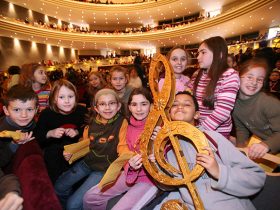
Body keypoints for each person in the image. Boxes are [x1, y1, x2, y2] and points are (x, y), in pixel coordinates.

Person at [154, 91, 266, 210]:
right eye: (175, 104)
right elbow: (167, 186)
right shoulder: (168, 148)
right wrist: (155, 155)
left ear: (196, 114)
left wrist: (218, 171)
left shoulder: (212, 138)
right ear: (169, 113)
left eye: (186, 104)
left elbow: (256, 177)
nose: (180, 107)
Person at [54, 88, 130, 210]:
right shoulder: (91, 122)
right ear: (96, 108)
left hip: (103, 169)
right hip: (87, 163)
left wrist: (126, 160)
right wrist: (71, 153)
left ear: (118, 106)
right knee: (59, 187)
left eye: (111, 103)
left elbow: (123, 146)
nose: (107, 107)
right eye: (102, 104)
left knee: (72, 205)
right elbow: (86, 143)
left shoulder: (122, 122)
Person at [83, 88, 158, 210]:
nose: (139, 109)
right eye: (134, 104)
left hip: (150, 180)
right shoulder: (128, 125)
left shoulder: (159, 127)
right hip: (130, 173)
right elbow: (123, 151)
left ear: (151, 105)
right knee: (90, 197)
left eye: (144, 104)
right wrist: (131, 164)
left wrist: (160, 141)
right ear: (129, 107)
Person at [34, 79, 87, 183]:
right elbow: (37, 137)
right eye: (61, 97)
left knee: (78, 181)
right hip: (55, 155)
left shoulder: (81, 111)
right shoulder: (47, 114)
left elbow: (90, 128)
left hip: (77, 153)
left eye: (70, 97)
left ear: (76, 97)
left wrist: (78, 132)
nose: (67, 101)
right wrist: (50, 133)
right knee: (57, 182)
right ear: (53, 99)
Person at [188, 36, 240, 138]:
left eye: (203, 52)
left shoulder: (230, 75)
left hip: (217, 133)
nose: (198, 57)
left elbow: (222, 112)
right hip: (198, 128)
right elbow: (187, 93)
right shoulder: (197, 73)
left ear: (219, 54)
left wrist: (199, 132)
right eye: (198, 53)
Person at [232, 58, 280, 159]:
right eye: (249, 77)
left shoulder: (269, 103)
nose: (254, 83)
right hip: (266, 148)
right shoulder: (233, 103)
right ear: (238, 77)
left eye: (259, 79)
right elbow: (241, 129)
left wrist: (266, 145)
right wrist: (240, 150)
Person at [0, 85, 38, 210]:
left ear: (36, 109)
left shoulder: (35, 126)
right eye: (16, 110)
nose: (24, 115)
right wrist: (14, 144)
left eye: (29, 109)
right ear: (6, 110)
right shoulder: (1, 131)